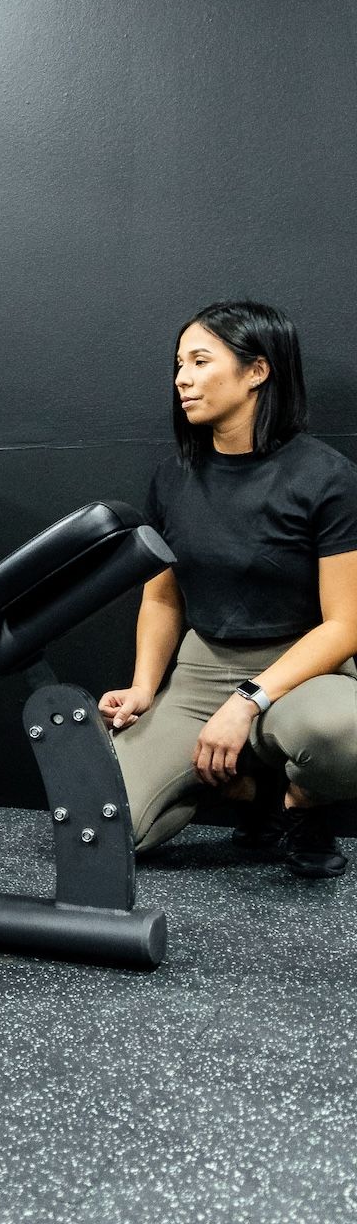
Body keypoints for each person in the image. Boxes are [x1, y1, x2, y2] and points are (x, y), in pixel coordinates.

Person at [99, 300, 357, 877]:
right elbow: (163, 597)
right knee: (112, 832)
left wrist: (246, 701)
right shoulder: (172, 477)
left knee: (345, 734)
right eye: (177, 364)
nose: (181, 379)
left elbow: (346, 624)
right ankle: (252, 792)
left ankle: (302, 803)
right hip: (203, 666)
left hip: (304, 669)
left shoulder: (326, 476)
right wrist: (144, 687)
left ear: (257, 371)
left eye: (199, 361)